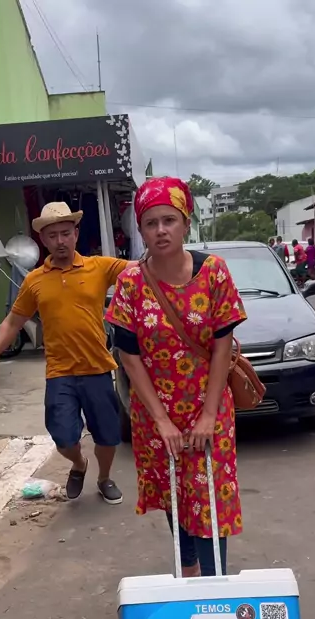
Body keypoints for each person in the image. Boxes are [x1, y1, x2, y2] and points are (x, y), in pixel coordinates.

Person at [105, 177, 247, 577]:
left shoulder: (214, 273)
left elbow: (222, 346)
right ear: (141, 230)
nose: (161, 230)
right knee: (174, 490)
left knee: (210, 491)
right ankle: (188, 572)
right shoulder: (130, 282)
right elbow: (129, 356)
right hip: (156, 411)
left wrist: (209, 414)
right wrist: (161, 420)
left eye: (169, 220)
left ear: (186, 223)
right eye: (151, 223)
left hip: (209, 405)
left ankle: (214, 581)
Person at [0, 202, 130, 504]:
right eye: (53, 235)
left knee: (107, 436)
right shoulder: (34, 280)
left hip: (97, 368)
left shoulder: (100, 267)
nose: (60, 241)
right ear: (43, 239)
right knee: (63, 438)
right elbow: (12, 322)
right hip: (60, 373)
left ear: (76, 234)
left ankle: (104, 478)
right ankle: (79, 464)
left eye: (65, 233)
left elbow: (143, 269)